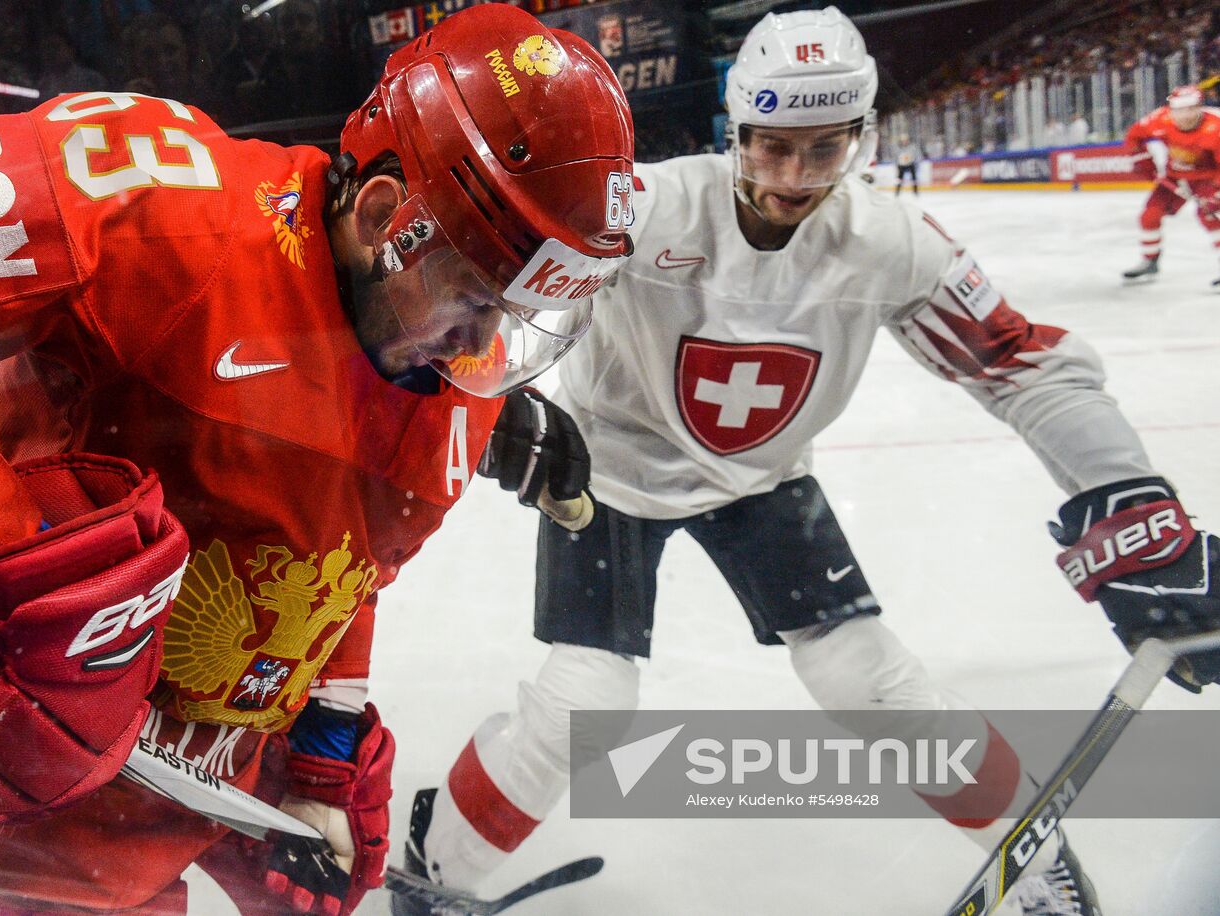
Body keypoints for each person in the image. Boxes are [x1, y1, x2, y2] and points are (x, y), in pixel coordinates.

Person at [395, 8, 1220, 916]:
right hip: (613, 476)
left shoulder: (890, 242)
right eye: (772, 146)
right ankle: (438, 866)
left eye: (824, 151)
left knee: (866, 679)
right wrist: (484, 390)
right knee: (585, 701)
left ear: (860, 141)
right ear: (737, 129)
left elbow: (1021, 364)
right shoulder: (650, 206)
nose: (793, 178)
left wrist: (1127, 493)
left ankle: (1032, 853)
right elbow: (486, 276)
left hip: (763, 481)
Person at [0, 5, 634, 914]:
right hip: (4, 801)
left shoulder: (455, 368)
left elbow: (345, 566)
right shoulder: (161, 208)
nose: (478, 354)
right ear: (379, 215)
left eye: (519, 328)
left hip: (175, 801)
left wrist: (318, 759)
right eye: (477, 300)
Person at [1120, 84, 1220, 285]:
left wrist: (1216, 193)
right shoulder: (1159, 118)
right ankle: (1150, 260)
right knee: (1150, 215)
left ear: (1200, 107)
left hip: (1207, 177)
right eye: (1179, 110)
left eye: (1191, 109)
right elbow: (1134, 137)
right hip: (1175, 176)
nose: (1185, 115)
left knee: (1208, 216)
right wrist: (1142, 161)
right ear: (1171, 110)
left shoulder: (1216, 126)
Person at [894, 131, 919, 195]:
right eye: (903, 140)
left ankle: (915, 192)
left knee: (914, 179)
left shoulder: (912, 147)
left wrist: (916, 163)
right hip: (901, 165)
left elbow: (917, 156)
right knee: (899, 180)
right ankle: (897, 193)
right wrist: (897, 165)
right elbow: (896, 157)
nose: (904, 142)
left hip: (910, 164)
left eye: (906, 140)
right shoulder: (898, 148)